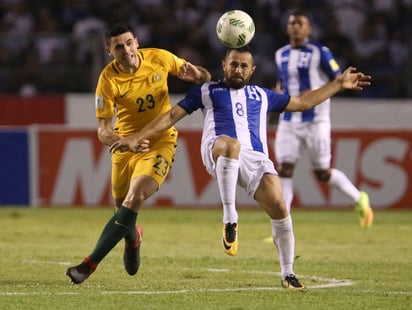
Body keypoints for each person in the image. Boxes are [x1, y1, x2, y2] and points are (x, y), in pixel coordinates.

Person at [109, 46, 371, 289]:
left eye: (244, 66)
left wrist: (338, 84)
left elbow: (303, 103)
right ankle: (230, 218)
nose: (238, 70)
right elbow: (169, 117)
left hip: (255, 159)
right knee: (231, 145)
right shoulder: (207, 91)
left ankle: (288, 273)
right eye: (234, 65)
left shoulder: (263, 95)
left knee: (280, 206)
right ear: (224, 65)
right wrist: (136, 137)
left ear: (252, 70)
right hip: (218, 149)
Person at [65, 23, 211, 284]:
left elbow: (205, 79)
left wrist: (198, 73)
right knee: (122, 213)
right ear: (109, 51)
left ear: (137, 42)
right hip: (125, 146)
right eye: (118, 46)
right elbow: (102, 131)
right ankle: (133, 238)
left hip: (159, 141)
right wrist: (125, 141)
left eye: (129, 43)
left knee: (135, 198)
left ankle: (88, 265)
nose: (126, 50)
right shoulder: (107, 80)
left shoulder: (160, 58)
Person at [273, 10, 373, 228]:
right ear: (287, 28)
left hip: (316, 120)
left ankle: (359, 198)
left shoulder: (320, 52)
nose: (296, 27)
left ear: (309, 29)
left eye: (300, 23)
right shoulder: (280, 54)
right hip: (289, 120)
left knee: (322, 173)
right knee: (285, 169)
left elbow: (337, 78)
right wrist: (277, 94)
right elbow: (282, 82)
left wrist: (344, 82)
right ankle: (283, 223)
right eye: (292, 23)